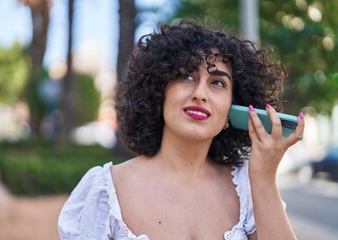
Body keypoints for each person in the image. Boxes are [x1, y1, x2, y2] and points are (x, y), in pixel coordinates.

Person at [58, 19, 305, 240]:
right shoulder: (103, 191)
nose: (200, 94)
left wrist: (263, 179)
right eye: (186, 76)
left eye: (217, 82)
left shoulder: (248, 189)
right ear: (159, 91)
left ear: (233, 108)